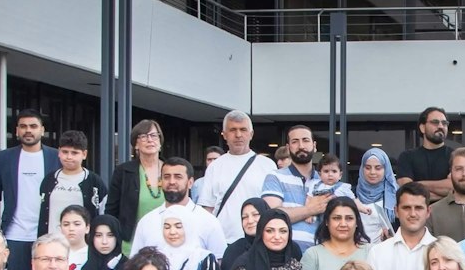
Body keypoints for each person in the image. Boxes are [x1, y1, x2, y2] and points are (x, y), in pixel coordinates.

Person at [0, 110, 59, 270]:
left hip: (48, 233)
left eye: (33, 126)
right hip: (15, 234)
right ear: (17, 131)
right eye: (23, 126)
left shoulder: (55, 157)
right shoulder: (5, 158)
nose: (28, 130)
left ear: (42, 130)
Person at [199, 111, 279, 242]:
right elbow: (207, 208)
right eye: (232, 130)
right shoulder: (215, 166)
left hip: (259, 241)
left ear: (251, 134)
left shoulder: (268, 165)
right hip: (223, 241)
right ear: (224, 135)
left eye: (243, 129)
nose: (238, 135)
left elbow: (273, 208)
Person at [131, 157, 228, 260]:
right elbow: (135, 264)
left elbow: (219, 261)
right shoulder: (147, 222)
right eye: (167, 177)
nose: (172, 181)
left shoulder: (208, 221)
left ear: (190, 183)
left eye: (178, 177)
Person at [261, 123, 335, 236]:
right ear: (288, 147)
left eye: (305, 140)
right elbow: (272, 217)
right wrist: (310, 209)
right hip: (286, 251)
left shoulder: (325, 181)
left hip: (320, 250)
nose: (301, 146)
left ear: (314, 146)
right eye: (295, 141)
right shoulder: (275, 177)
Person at [105, 119, 167, 250]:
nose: (150, 140)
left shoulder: (171, 170)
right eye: (144, 136)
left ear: (160, 142)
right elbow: (111, 212)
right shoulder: (123, 172)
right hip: (131, 244)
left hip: (167, 241)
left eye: (154, 135)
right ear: (136, 144)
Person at [34, 130, 107, 239]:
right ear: (59, 152)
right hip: (52, 244)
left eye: (74, 153)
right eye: (65, 152)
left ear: (84, 154)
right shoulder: (49, 180)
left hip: (83, 246)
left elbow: (103, 215)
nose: (69, 157)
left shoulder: (94, 182)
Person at [301, 196, 368, 270]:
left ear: (357, 222)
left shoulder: (371, 251)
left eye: (349, 218)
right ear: (327, 221)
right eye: (337, 218)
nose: (343, 224)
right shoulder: (313, 254)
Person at [396, 106, 457, 199]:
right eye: (435, 122)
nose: (441, 126)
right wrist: (443, 196)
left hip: (447, 212)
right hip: (415, 211)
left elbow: (453, 187)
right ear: (422, 128)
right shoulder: (407, 157)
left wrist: (417, 184)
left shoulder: (455, 156)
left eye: (444, 123)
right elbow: (407, 190)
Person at [351, 147, 400, 242]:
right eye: (368, 168)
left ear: (386, 169)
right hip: (356, 250)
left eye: (378, 168)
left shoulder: (396, 194)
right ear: (362, 168)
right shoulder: (352, 194)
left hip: (385, 250)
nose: (372, 172)